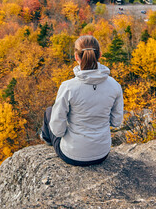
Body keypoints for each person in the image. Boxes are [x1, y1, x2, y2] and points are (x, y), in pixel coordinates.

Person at [40, 35, 123, 166]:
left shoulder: (68, 87)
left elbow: (58, 130)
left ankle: (47, 141)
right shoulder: (114, 85)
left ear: (76, 57)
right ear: (100, 55)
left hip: (72, 155)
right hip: (102, 153)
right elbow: (116, 122)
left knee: (49, 112)